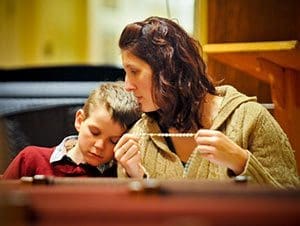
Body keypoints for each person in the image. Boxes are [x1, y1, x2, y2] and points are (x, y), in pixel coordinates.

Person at [114, 16, 299, 188]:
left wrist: (241, 162)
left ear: (167, 70)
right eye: (125, 72)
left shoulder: (250, 119)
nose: (127, 86)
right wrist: (137, 179)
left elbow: (290, 205)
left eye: (134, 72)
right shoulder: (138, 136)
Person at [2, 81, 141, 179]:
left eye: (114, 141)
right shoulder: (32, 159)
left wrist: (136, 175)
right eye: (94, 132)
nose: (99, 146)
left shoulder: (117, 176)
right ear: (80, 120)